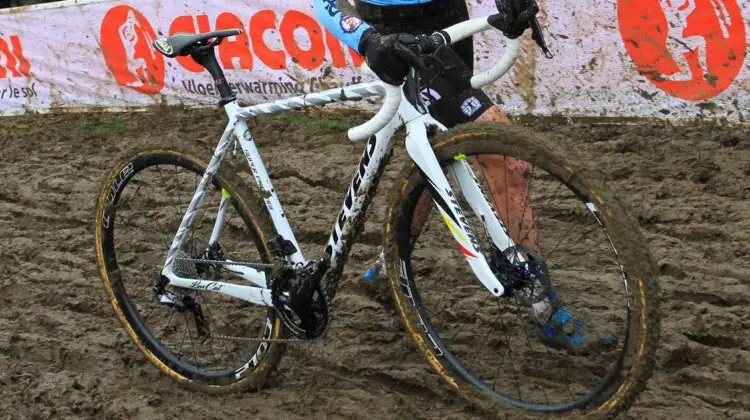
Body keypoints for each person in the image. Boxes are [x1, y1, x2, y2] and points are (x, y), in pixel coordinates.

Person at [315, 0, 608, 351]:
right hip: (391, 32)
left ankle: (387, 267)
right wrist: (364, 38)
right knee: (504, 157)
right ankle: (542, 307)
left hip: (446, 16)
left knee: (437, 148)